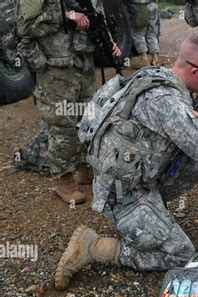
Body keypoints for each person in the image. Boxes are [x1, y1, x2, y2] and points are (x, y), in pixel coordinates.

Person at [54, 33, 198, 290]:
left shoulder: (154, 77)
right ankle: (94, 247)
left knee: (197, 151)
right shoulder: (166, 101)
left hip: (137, 180)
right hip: (123, 195)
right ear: (193, 70)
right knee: (180, 254)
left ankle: (152, 217)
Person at [16, 0, 121, 205]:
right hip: (55, 65)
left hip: (83, 62)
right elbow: (23, 27)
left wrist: (109, 42)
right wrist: (66, 15)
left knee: (88, 117)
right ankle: (63, 179)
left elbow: (95, 14)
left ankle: (83, 168)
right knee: (62, 123)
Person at [128, 0, 161, 68]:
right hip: (153, 5)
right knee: (152, 33)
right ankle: (155, 58)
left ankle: (144, 58)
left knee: (138, 33)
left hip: (140, 6)